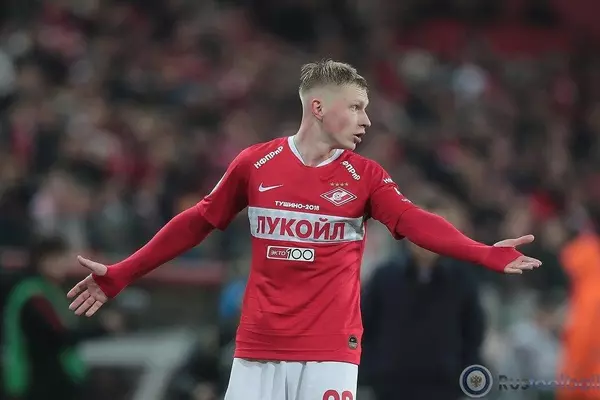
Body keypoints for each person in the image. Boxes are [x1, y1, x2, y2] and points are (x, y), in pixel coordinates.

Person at [66, 60, 542, 400]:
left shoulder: (365, 177)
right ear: (318, 107)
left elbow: (417, 221)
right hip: (258, 348)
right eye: (355, 107)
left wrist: (484, 252)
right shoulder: (256, 164)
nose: (366, 120)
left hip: (330, 352)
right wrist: (123, 272)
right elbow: (196, 223)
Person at [360, 203, 485, 400]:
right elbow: (364, 327)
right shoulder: (385, 277)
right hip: (390, 387)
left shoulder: (462, 280)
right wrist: (372, 372)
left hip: (444, 387)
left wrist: (463, 378)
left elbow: (473, 334)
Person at [1, 236, 123, 400]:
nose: (62, 265)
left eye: (63, 258)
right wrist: (101, 328)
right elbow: (59, 335)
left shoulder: (48, 291)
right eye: (56, 259)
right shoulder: (34, 296)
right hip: (38, 382)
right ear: (41, 261)